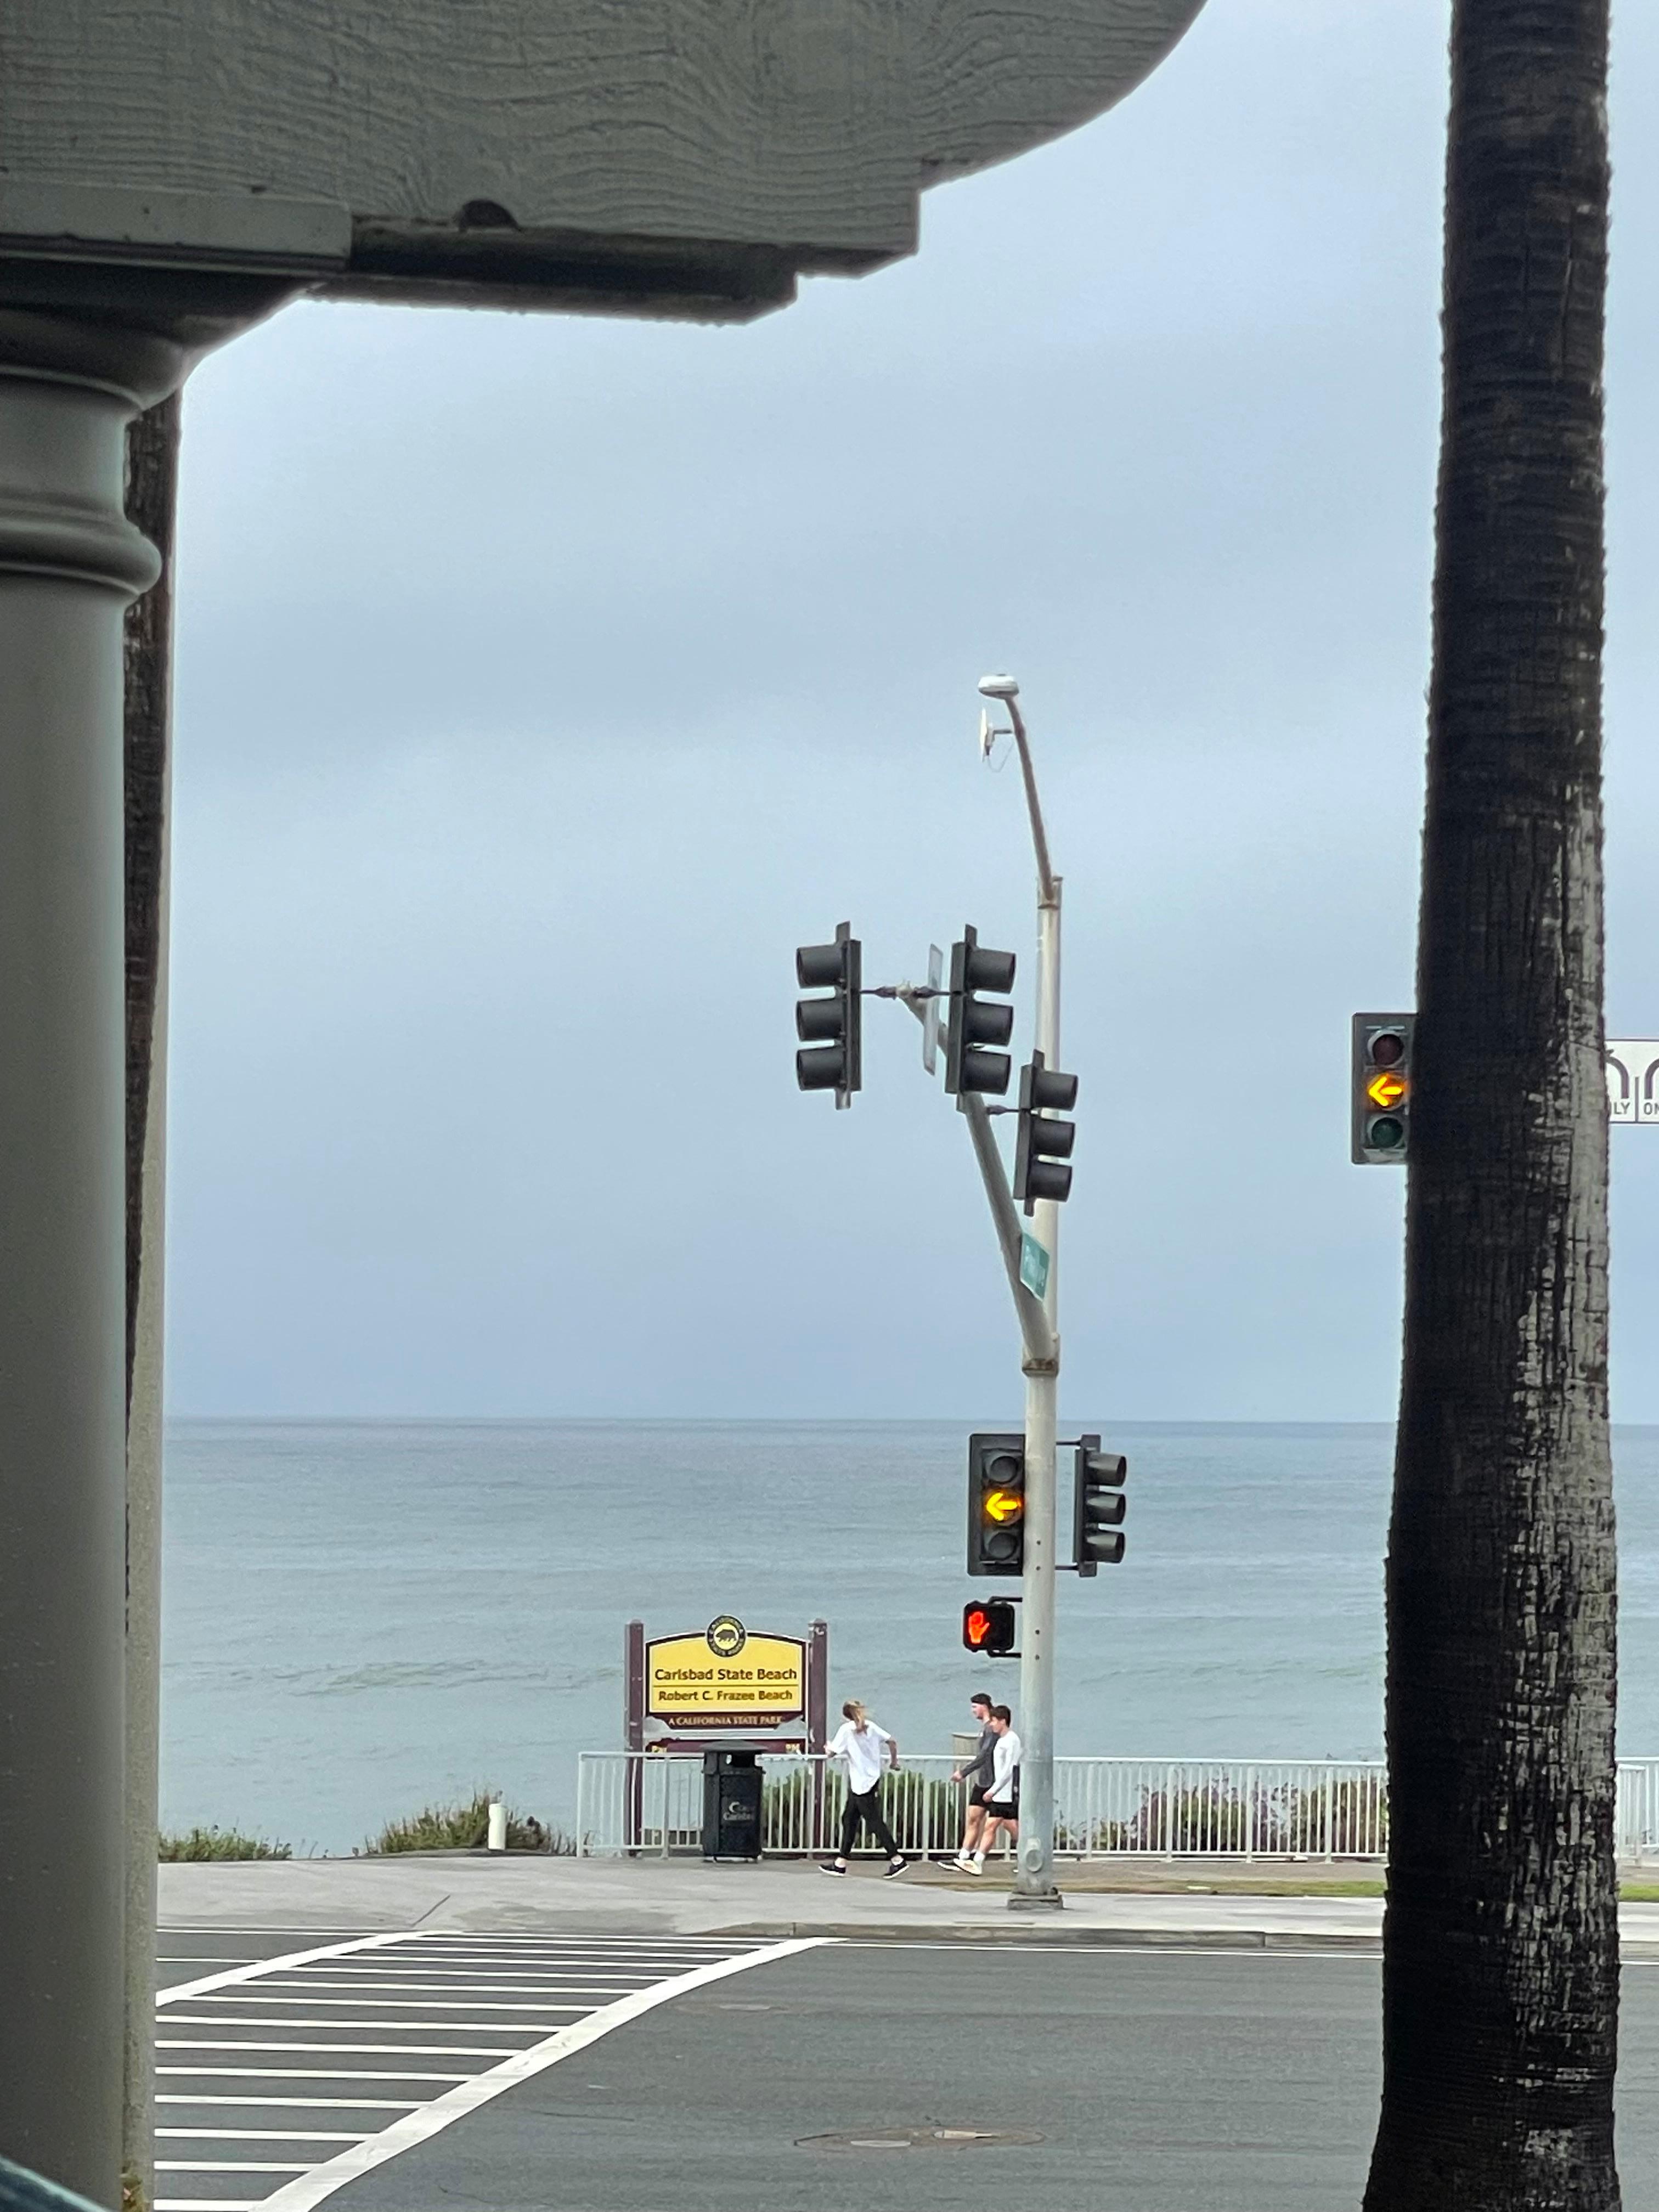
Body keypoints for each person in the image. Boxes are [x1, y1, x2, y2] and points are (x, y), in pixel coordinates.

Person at [821, 1699, 907, 1877]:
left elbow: (831, 1754)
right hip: (871, 1779)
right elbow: (892, 1741)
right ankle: (841, 1863)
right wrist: (893, 1762)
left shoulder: (846, 1730)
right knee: (849, 1819)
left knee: (874, 1821)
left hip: (861, 1783)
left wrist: (828, 1747)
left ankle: (897, 1859)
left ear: (846, 1715)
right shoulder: (872, 1727)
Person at [970, 1703, 1021, 1873]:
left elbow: (1009, 1769)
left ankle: (1028, 1858)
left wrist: (994, 1789)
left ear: (1003, 1721)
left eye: (993, 1721)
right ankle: (977, 1862)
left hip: (1007, 1793)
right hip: (1001, 1793)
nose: (991, 1724)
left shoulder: (1012, 1740)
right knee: (997, 1826)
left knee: (1006, 1827)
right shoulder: (1002, 1740)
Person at [950, 1691, 997, 1871]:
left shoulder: (991, 1729)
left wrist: (963, 1772)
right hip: (983, 1781)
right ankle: (963, 1858)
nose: (973, 1711)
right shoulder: (985, 1728)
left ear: (984, 1707)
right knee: (973, 1819)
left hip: (994, 1783)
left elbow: (984, 1756)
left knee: (1008, 1824)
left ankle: (1028, 1856)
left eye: (975, 1707)